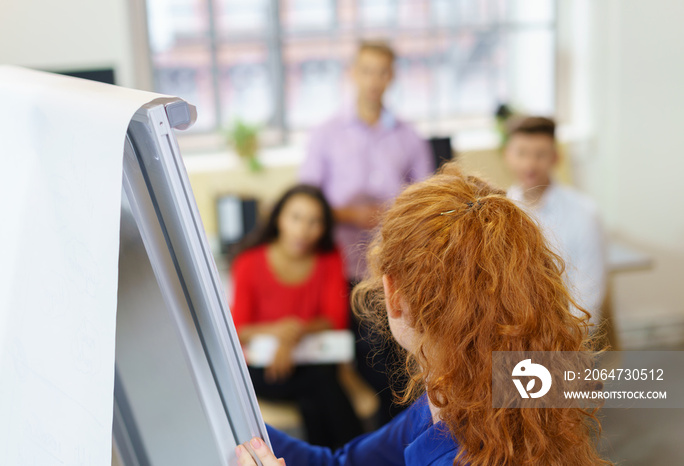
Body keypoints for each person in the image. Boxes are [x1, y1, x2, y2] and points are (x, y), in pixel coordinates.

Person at [235, 164, 611, 465]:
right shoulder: (458, 394)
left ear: (392, 294)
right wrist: (234, 421)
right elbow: (340, 462)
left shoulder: (451, 443)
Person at [299, 40, 434, 425]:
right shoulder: (325, 134)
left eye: (382, 71)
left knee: (401, 367)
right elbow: (306, 200)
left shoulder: (408, 135)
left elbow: (427, 200)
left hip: (396, 271)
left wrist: (391, 216)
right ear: (352, 74)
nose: (374, 80)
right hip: (343, 270)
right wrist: (347, 212)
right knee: (373, 369)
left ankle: (399, 440)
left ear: (392, 77)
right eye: (366, 70)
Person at [230, 184, 363, 449]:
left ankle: (334, 457)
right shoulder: (248, 262)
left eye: (314, 221)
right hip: (263, 365)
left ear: (324, 228)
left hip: (309, 357)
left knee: (315, 391)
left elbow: (335, 319)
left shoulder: (330, 257)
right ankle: (354, 454)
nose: (303, 229)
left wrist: (293, 335)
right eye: (296, 218)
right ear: (278, 218)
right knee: (322, 385)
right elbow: (237, 328)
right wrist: (279, 333)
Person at [503, 116, 607, 324]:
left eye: (540, 155)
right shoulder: (499, 214)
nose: (530, 164)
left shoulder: (584, 212)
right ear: (508, 156)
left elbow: (589, 293)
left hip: (567, 337)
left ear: (555, 158)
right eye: (521, 153)